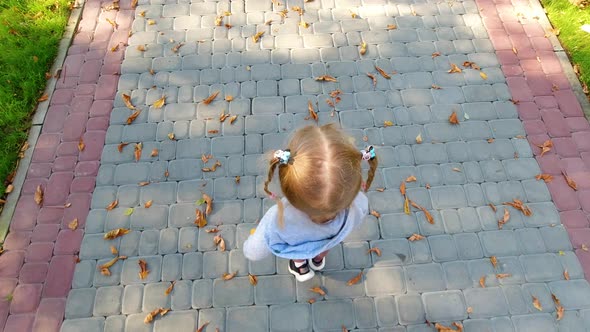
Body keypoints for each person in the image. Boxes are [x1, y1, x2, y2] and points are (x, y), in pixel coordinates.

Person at [243, 124, 378, 282]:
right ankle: (318, 260)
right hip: (327, 241)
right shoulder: (357, 204)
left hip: (298, 247)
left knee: (299, 254)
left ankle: (300, 267)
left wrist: (248, 249)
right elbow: (360, 213)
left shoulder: (278, 217)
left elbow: (255, 249)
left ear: (289, 190)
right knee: (323, 248)